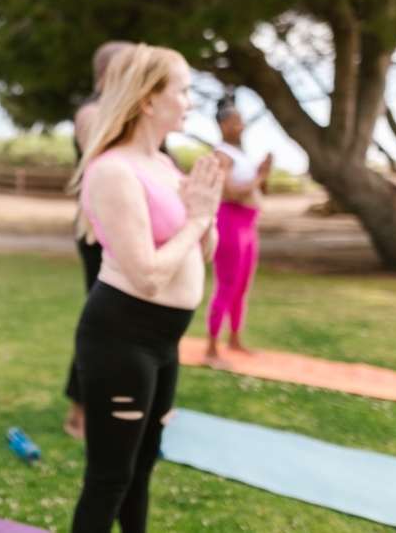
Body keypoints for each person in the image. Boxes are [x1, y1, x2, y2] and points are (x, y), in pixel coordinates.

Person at [69, 44, 223, 532]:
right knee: (110, 478)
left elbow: (202, 250)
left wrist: (205, 210)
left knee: (143, 467)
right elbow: (148, 274)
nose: (191, 103)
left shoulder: (163, 164)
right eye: (184, 91)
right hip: (122, 339)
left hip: (163, 341)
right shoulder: (114, 170)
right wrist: (196, 219)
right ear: (149, 99)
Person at [64, 41, 135, 439]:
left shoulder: (124, 114)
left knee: (124, 325)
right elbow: (107, 161)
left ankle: (116, 402)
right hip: (97, 234)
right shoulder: (92, 113)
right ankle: (79, 411)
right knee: (102, 322)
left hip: (123, 230)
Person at [202, 93, 272, 368]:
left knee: (242, 286)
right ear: (223, 125)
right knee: (227, 285)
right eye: (236, 122)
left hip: (248, 224)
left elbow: (257, 188)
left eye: (242, 121)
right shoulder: (221, 155)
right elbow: (230, 191)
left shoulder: (241, 153)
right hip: (230, 223)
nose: (241, 126)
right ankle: (210, 348)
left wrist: (263, 172)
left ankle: (235, 339)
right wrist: (259, 176)